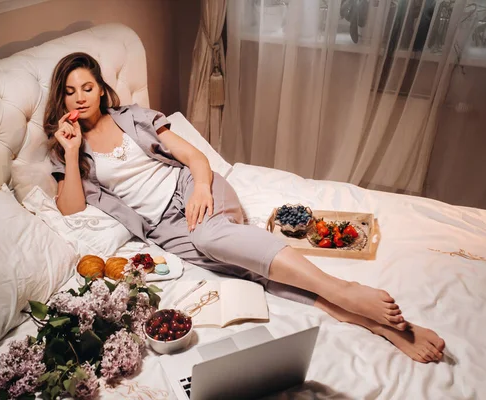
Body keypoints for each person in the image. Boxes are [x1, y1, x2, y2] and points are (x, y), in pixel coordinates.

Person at [44, 52, 445, 363]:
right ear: (61, 96)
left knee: (211, 233)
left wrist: (201, 188)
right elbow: (70, 208)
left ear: (101, 90)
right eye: (71, 90)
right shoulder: (68, 151)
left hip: (191, 189)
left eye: (88, 87)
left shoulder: (135, 119)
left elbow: (196, 158)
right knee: (253, 274)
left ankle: (345, 289)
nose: (80, 97)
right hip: (163, 230)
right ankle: (384, 327)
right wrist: (72, 147)